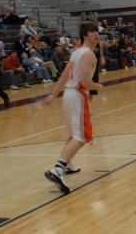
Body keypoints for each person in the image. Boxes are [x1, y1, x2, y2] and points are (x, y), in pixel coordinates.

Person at [41, 23, 105, 194]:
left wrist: (54, 94)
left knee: (72, 134)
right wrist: (97, 86)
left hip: (68, 95)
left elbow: (64, 75)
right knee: (81, 136)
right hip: (78, 95)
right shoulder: (88, 54)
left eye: (96, 31)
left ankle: (67, 164)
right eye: (92, 31)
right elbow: (85, 82)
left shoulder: (76, 52)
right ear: (85, 35)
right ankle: (58, 168)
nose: (96, 34)